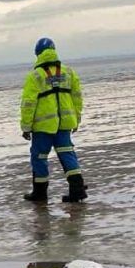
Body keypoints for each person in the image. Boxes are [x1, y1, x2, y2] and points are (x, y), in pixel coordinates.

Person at [20, 38, 86, 202]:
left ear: (38, 54)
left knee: (39, 157)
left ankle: (40, 193)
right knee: (67, 154)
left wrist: (26, 127)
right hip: (65, 123)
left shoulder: (35, 76)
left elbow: (28, 103)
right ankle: (77, 190)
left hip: (43, 126)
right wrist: (76, 119)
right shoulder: (69, 72)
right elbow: (77, 98)